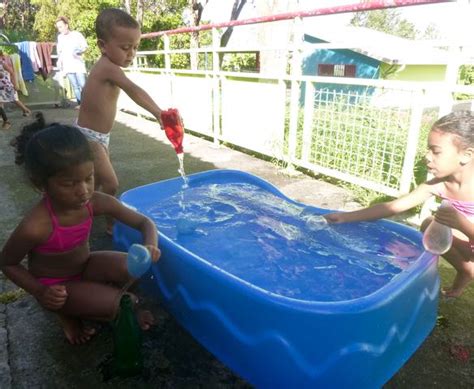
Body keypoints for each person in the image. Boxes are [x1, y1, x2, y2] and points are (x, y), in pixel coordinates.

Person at [0, 113, 161, 344]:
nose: (83, 190)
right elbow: (7, 262)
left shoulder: (94, 201)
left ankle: (94, 298)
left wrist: (150, 245)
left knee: (134, 268)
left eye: (89, 178)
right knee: (126, 302)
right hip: (57, 287)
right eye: (69, 183)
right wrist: (40, 291)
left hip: (86, 265)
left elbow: (144, 222)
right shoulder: (37, 225)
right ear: (40, 184)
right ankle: (68, 314)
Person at [324, 111, 474, 298]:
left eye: (435, 151)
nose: (427, 157)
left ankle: (466, 271)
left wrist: (461, 223)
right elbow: (394, 206)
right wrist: (346, 217)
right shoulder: (439, 185)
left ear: (466, 155)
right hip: (468, 242)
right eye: (428, 150)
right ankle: (466, 270)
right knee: (429, 224)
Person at [77, 8, 165, 234]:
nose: (131, 53)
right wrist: (158, 112)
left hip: (100, 137)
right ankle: (109, 222)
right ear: (102, 46)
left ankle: (75, 214)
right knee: (111, 183)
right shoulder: (108, 67)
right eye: (125, 48)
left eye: (135, 47)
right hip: (89, 137)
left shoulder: (110, 67)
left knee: (93, 183)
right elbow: (134, 90)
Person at [55, 16, 88, 107]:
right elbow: (60, 52)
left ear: (66, 25)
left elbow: (85, 46)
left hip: (78, 64)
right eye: (58, 27)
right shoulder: (60, 38)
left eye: (61, 27)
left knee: (83, 85)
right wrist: (59, 62)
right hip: (67, 65)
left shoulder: (76, 34)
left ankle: (89, 102)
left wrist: (78, 52)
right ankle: (80, 104)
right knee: (75, 86)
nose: (60, 29)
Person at [0, 50, 32, 119]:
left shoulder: (2, 64)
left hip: (7, 86)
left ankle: (26, 110)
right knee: (0, 101)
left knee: (15, 100)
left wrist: (15, 84)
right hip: (1, 87)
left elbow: (12, 73)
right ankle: (3, 117)